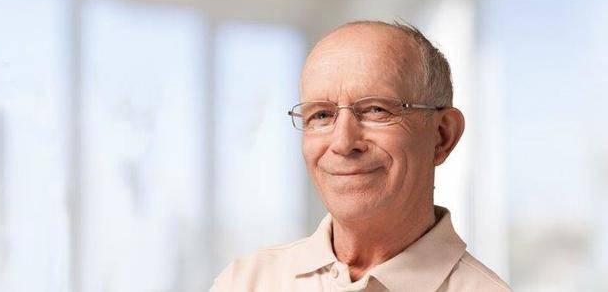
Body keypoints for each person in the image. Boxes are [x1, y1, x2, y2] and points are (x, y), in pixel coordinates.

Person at [211, 20, 511, 292]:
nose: (343, 143)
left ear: (442, 136)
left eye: (376, 110)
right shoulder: (245, 282)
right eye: (322, 115)